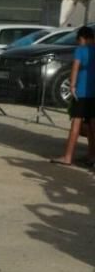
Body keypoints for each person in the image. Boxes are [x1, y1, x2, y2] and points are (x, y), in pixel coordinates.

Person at [51, 26, 95, 168]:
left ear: (83, 38)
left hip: (81, 92)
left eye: (79, 40)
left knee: (76, 124)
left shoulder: (80, 50)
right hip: (93, 93)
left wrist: (72, 85)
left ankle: (68, 156)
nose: (78, 43)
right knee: (91, 126)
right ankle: (92, 155)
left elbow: (75, 68)